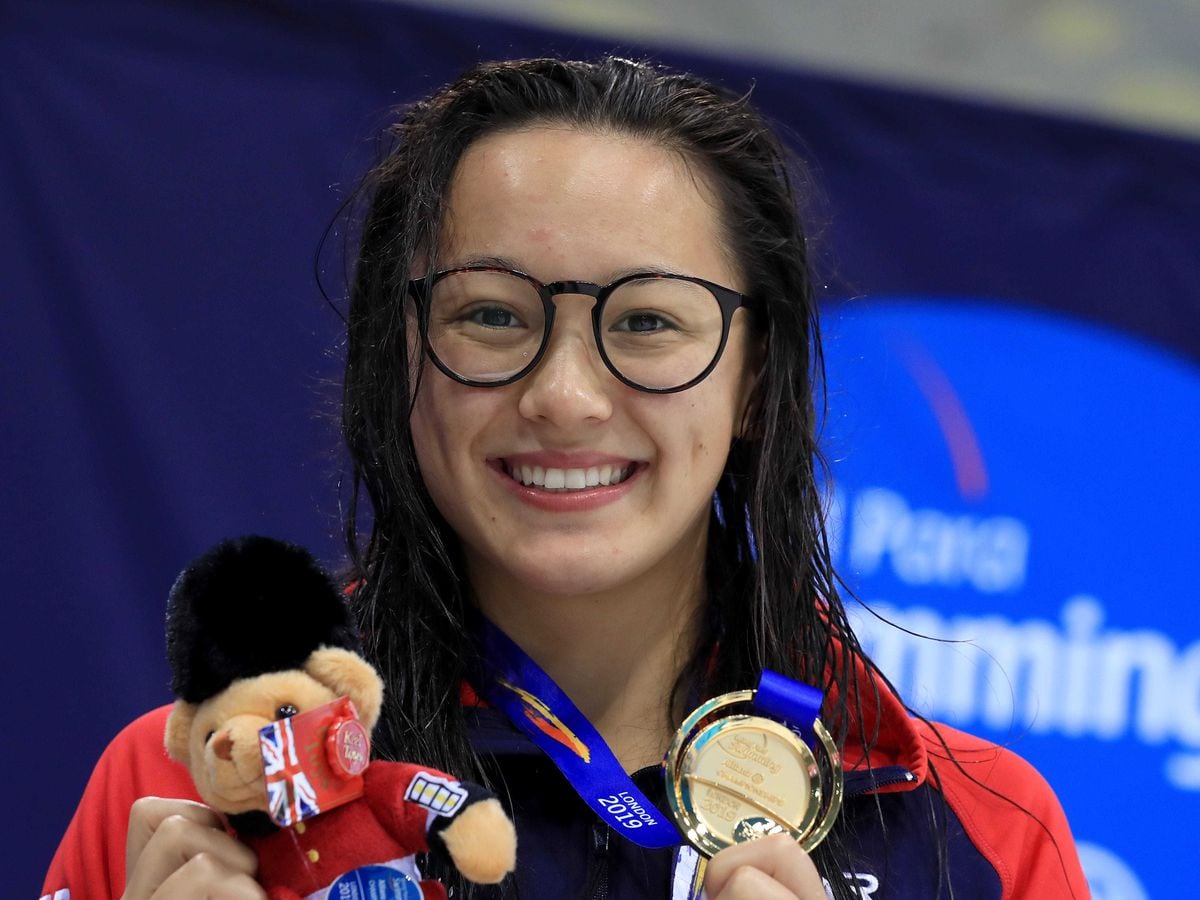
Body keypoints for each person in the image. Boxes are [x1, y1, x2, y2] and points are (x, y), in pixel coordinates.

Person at [43, 57, 1088, 900]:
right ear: (399, 359)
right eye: (492, 315)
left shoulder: (982, 833)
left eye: (647, 321)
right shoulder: (191, 785)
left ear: (755, 380)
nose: (566, 395)